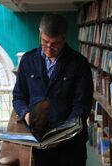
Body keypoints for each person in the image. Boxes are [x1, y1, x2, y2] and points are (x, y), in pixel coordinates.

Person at [12, 13, 93, 166]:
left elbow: (82, 105)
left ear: (64, 37)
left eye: (54, 43)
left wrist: (62, 133)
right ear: (40, 33)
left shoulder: (79, 63)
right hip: (38, 142)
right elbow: (18, 96)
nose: (49, 48)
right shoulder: (27, 60)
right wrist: (27, 115)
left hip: (71, 145)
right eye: (44, 42)